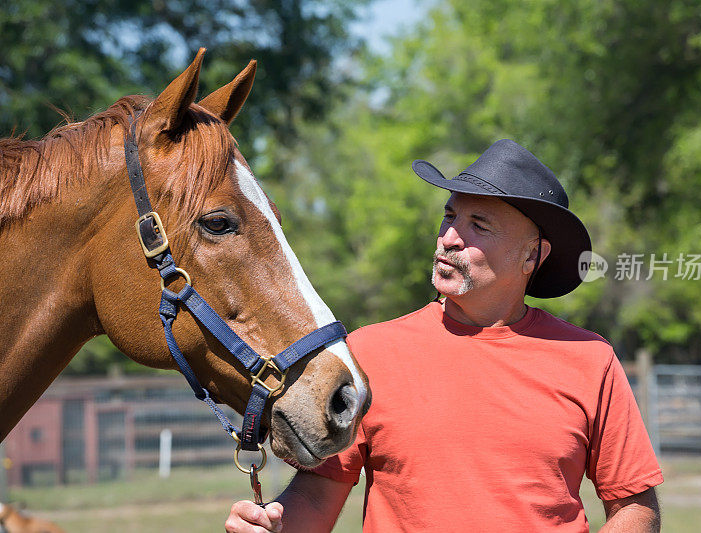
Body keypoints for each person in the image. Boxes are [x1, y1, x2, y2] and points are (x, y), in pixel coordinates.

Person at [225, 139, 663, 532]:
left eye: (479, 225)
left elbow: (636, 507)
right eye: (449, 216)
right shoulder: (368, 353)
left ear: (533, 254)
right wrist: (272, 529)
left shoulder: (589, 358)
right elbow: (319, 492)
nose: (449, 237)